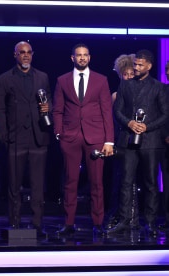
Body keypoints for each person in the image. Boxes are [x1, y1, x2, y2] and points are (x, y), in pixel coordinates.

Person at [52, 43, 114, 236]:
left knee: (97, 183)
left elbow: (106, 111)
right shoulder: (62, 80)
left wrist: (109, 141)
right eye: (78, 55)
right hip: (70, 137)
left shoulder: (101, 80)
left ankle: (97, 223)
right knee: (70, 182)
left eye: (85, 55)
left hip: (95, 137)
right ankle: (68, 223)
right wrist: (58, 132)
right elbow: (58, 109)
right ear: (73, 58)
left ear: (89, 57)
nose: (82, 58)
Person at [108, 50, 169, 236]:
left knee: (150, 182)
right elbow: (117, 111)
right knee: (126, 182)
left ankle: (150, 223)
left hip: (151, 141)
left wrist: (146, 126)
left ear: (149, 66)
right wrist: (130, 123)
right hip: (128, 141)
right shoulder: (125, 85)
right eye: (135, 64)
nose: (136, 68)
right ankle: (125, 221)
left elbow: (165, 114)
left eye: (140, 65)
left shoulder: (158, 87)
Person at [0, 41, 51, 237]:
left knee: (37, 186)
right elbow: (0, 110)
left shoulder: (42, 77)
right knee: (14, 186)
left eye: (28, 52)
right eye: (22, 53)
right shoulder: (4, 79)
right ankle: (15, 224)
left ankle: (37, 225)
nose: (26, 56)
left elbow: (48, 101)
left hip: (38, 137)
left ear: (32, 54)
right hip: (15, 139)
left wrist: (48, 108)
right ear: (15, 55)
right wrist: (4, 135)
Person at [106, 54, 140, 230]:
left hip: (136, 142)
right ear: (120, 75)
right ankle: (115, 217)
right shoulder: (115, 95)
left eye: (131, 74)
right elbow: (114, 121)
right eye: (125, 74)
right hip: (120, 142)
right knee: (119, 180)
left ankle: (133, 219)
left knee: (133, 181)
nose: (128, 77)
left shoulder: (141, 95)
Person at [158, 60, 169, 231]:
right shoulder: (162, 90)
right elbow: (158, 116)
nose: (168, 72)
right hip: (165, 143)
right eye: (167, 69)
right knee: (167, 183)